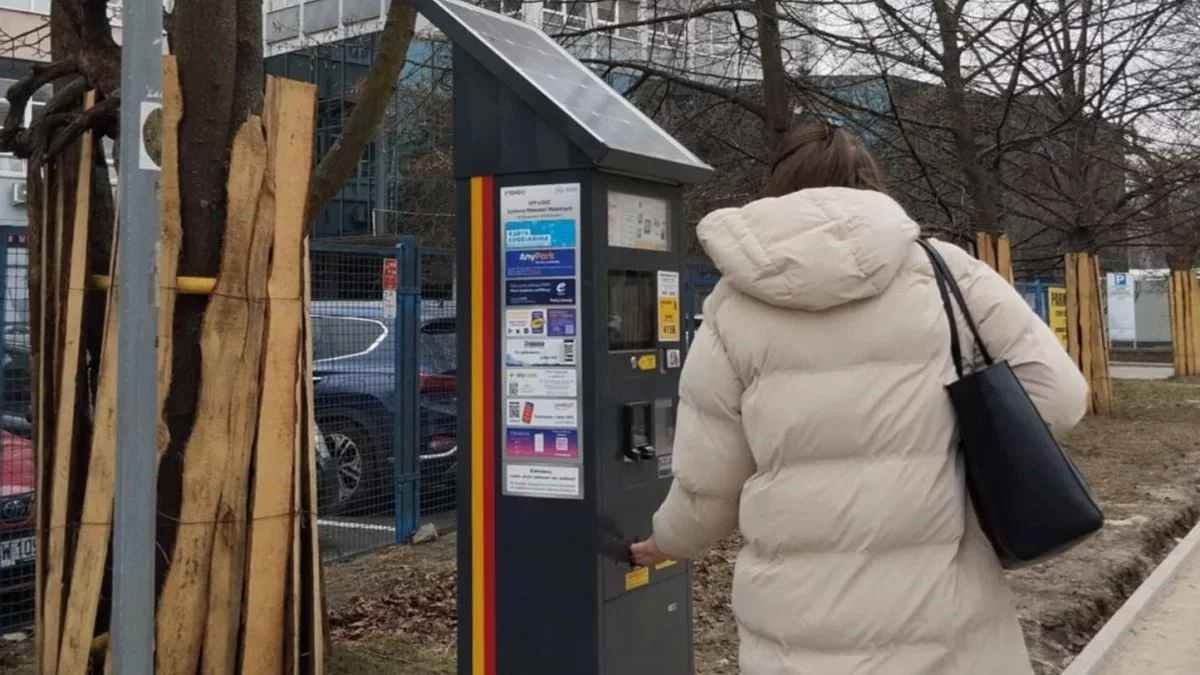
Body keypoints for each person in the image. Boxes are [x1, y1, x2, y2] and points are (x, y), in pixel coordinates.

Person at [630, 121, 1089, 675]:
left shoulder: (731, 305)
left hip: (797, 627)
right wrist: (955, 440)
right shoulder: (949, 273)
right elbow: (1061, 396)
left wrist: (668, 540)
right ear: (871, 183)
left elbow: (710, 479)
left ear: (781, 188)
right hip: (943, 612)